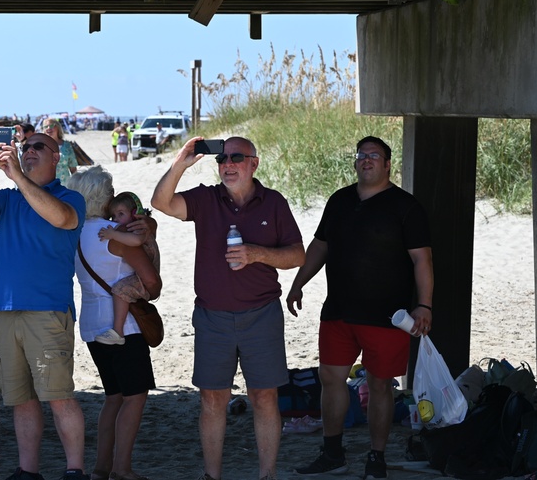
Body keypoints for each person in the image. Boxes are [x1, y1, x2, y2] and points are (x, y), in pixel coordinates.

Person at [151, 136, 305, 480]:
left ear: (254, 163)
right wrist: (180, 164)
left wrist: (257, 253)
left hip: (262, 314)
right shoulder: (206, 198)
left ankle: (267, 475)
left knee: (264, 397)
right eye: (222, 159)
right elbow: (160, 203)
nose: (228, 164)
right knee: (212, 398)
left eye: (237, 157)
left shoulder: (274, 202)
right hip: (212, 316)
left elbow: (298, 254)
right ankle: (212, 476)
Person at [288, 136, 433, 479]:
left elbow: (422, 260)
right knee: (330, 379)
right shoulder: (339, 200)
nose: (366, 160)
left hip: (387, 316)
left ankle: (376, 458)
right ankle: (333, 453)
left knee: (381, 385)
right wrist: (298, 282)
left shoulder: (406, 206)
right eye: (362, 155)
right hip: (338, 311)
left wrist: (424, 305)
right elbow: (319, 246)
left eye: (374, 156)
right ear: (356, 163)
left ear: (387, 165)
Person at [0, 131, 88, 480]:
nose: (29, 152)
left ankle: (75, 470)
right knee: (21, 398)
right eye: (26, 147)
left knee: (59, 395)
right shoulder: (8, 199)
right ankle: (27, 471)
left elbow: (62, 219)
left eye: (38, 147)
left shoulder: (70, 198)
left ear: (55, 157)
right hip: (7, 309)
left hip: (47, 310)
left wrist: (17, 174)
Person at [67, 167, 161, 480]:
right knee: (135, 396)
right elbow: (152, 283)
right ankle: (122, 469)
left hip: (92, 325)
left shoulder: (74, 235)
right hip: (124, 328)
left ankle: (100, 469)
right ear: (104, 197)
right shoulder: (116, 235)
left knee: (113, 397)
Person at [93, 192, 161, 346]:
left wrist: (113, 234)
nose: (116, 219)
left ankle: (118, 331)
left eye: (121, 214)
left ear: (135, 213)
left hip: (144, 277)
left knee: (120, 290)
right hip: (142, 275)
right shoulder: (137, 227)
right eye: (113, 216)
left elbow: (136, 241)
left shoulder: (139, 229)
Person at [43, 118, 78, 184]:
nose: (48, 128)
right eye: (45, 127)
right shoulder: (41, 146)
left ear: (58, 128)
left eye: (51, 126)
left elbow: (73, 168)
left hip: (64, 185)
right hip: (46, 186)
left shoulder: (66, 145)